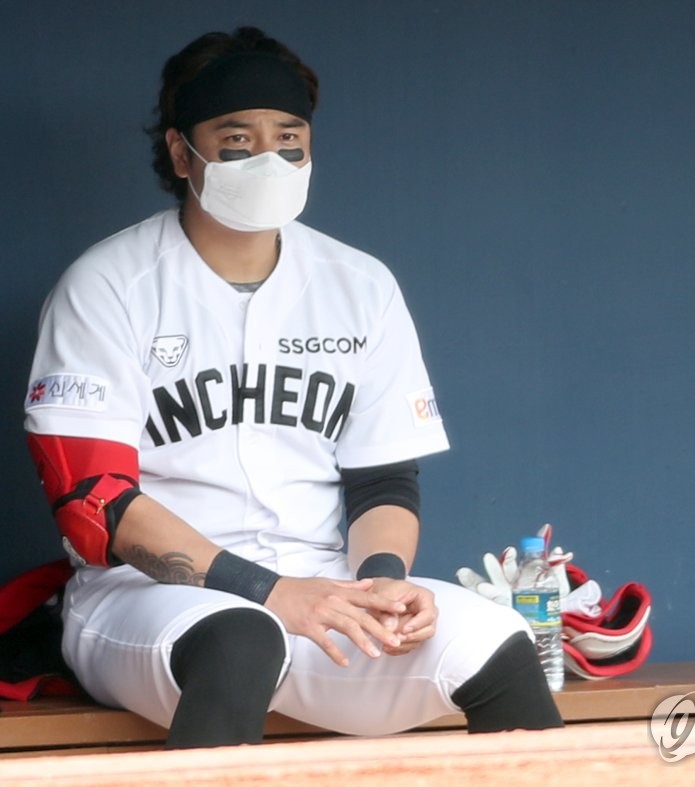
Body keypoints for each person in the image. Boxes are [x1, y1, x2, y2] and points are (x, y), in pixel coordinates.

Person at [23, 27, 563, 748]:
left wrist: (382, 579)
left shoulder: (360, 285)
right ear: (182, 153)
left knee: (498, 640)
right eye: (236, 139)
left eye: (288, 138)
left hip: (322, 591)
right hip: (150, 600)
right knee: (242, 637)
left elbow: (382, 480)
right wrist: (271, 593)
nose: (267, 158)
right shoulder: (108, 284)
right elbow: (97, 504)